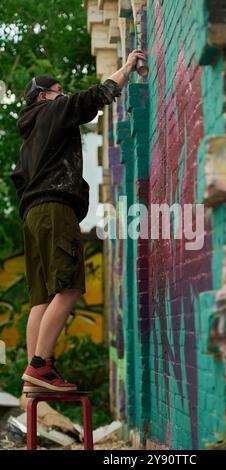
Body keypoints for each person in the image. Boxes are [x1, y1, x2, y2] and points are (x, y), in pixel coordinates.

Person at [10, 49, 147, 392]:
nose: (64, 95)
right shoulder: (53, 111)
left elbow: (19, 181)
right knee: (69, 288)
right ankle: (41, 366)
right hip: (56, 209)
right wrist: (127, 67)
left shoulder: (29, 141)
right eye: (59, 90)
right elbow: (96, 97)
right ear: (43, 95)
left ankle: (32, 380)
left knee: (42, 298)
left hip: (32, 216)